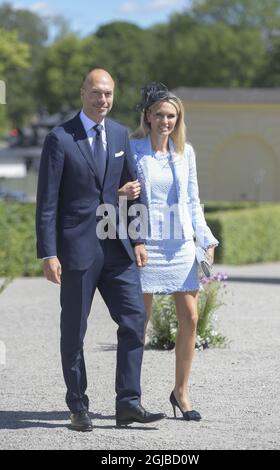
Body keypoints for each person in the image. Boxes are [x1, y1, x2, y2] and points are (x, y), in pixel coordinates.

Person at [36, 69, 166, 431]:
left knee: (134, 321)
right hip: (76, 250)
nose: (102, 100)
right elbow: (47, 202)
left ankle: (128, 403)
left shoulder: (121, 133)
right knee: (74, 330)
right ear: (82, 93)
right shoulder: (59, 138)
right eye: (96, 93)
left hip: (117, 249)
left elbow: (133, 191)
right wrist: (48, 253)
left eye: (108, 93)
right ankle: (78, 405)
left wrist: (138, 239)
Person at [129, 82, 219, 421]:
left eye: (171, 115)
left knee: (191, 318)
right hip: (147, 244)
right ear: (148, 117)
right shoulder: (133, 149)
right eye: (159, 115)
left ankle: (181, 392)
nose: (165, 121)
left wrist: (205, 238)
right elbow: (122, 195)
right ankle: (131, 397)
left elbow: (193, 201)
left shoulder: (186, 153)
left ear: (177, 119)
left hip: (180, 245)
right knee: (140, 322)